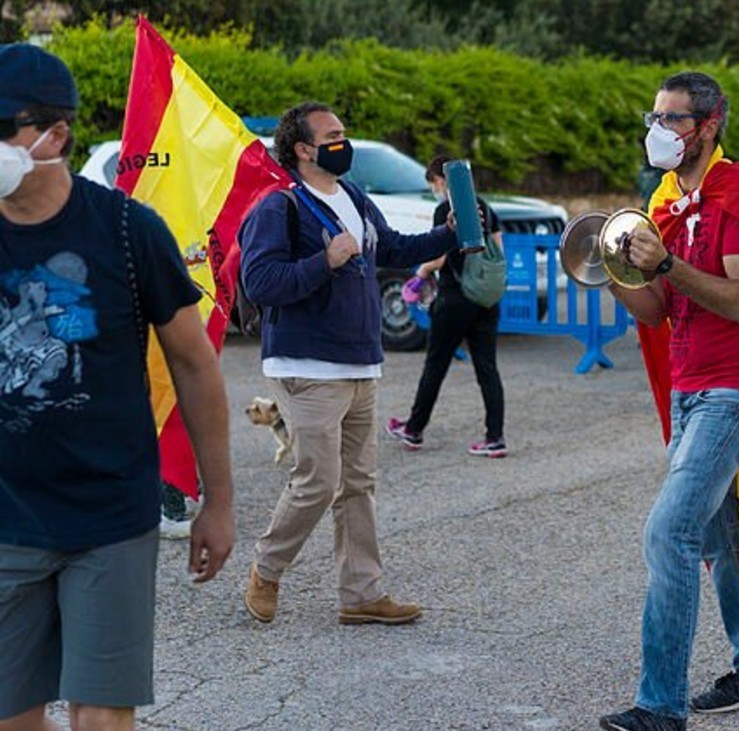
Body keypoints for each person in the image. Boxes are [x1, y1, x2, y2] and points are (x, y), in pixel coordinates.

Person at [0, 44, 234, 730]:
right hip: (8, 516)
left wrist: (217, 501)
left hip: (109, 515)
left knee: (102, 717)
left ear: (54, 135)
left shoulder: (129, 231)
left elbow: (193, 363)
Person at [599, 71, 739, 731]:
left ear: (709, 123)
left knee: (670, 531)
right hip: (696, 386)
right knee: (721, 535)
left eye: (672, 119)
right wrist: (607, 270)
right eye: (655, 116)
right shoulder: (667, 200)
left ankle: (660, 705)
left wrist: (665, 263)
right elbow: (658, 308)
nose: (658, 131)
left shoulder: (737, 194)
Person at [239, 102, 462, 626]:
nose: (344, 142)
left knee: (359, 482)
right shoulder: (279, 206)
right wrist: (325, 261)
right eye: (333, 135)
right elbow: (261, 282)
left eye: (344, 133)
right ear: (302, 149)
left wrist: (450, 234)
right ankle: (266, 570)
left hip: (359, 363)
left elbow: (392, 247)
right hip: (306, 364)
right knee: (317, 480)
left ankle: (362, 593)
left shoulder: (352, 196)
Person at [387, 155, 507, 457]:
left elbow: (439, 256)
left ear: (441, 181)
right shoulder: (485, 207)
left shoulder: (446, 209)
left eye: (434, 184)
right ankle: (495, 438)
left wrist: (422, 274)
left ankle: (414, 430)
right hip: (485, 296)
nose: (435, 191)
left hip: (454, 297)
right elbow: (498, 249)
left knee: (436, 365)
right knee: (487, 368)